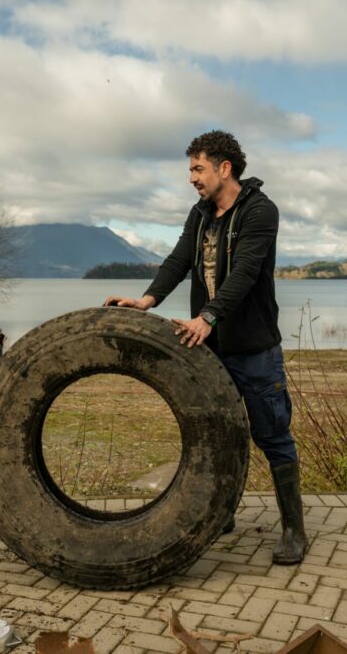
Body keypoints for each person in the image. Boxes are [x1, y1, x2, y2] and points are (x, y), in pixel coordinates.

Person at [103, 130, 307, 565]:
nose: (192, 178)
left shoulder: (260, 211)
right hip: (210, 350)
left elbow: (246, 272)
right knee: (217, 433)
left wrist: (208, 317)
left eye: (198, 169)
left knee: (271, 436)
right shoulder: (199, 214)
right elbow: (179, 261)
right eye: (190, 170)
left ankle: (293, 528)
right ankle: (222, 514)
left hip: (255, 349)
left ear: (224, 168)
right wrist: (147, 300)